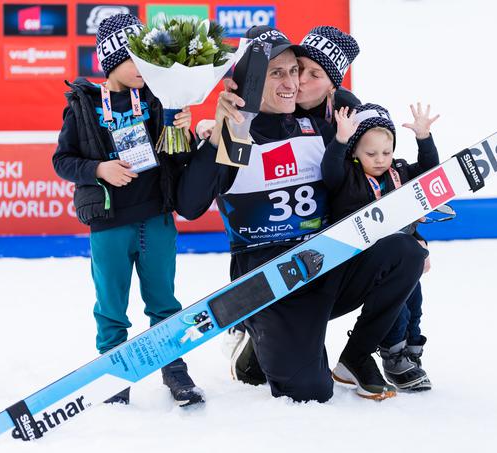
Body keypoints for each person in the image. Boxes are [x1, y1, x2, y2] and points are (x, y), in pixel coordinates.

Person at [177, 26, 426, 401]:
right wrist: (215, 133)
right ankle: (255, 341)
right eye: (277, 72)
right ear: (251, 79)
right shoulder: (239, 131)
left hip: (327, 263)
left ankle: (356, 357)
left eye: (295, 71)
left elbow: (378, 172)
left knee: (406, 253)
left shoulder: (322, 125)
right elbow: (190, 206)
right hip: (272, 281)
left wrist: (415, 227)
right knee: (311, 393)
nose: (292, 82)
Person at [52, 13, 203, 407]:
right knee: (111, 306)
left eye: (148, 61)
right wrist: (98, 169)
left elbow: (179, 155)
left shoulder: (157, 101)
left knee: (164, 302)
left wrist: (183, 129)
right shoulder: (83, 104)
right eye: (134, 61)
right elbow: (62, 160)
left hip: (155, 217)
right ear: (111, 61)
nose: (143, 70)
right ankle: (113, 373)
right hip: (109, 224)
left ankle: (174, 368)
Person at [322, 102, 440, 391]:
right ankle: (392, 353)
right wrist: (340, 140)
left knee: (414, 300)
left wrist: (424, 139)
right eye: (370, 153)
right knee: (395, 304)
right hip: (363, 264)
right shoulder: (348, 177)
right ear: (354, 152)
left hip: (400, 257)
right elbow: (329, 171)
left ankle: (412, 349)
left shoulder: (398, 171)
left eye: (386, 152)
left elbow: (429, 171)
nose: (380, 160)